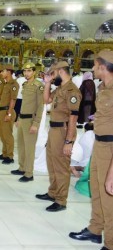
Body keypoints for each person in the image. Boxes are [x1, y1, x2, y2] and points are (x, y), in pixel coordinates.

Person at [69, 49, 113, 250]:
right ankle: (95, 230)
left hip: (111, 148)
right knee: (96, 189)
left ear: (103, 66)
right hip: (100, 144)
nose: (92, 69)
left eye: (95, 65)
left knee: (108, 196)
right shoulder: (103, 87)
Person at [36, 61, 81, 212]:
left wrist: (69, 141)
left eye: (53, 74)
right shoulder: (60, 88)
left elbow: (73, 118)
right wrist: (48, 83)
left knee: (61, 166)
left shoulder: (72, 91)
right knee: (52, 163)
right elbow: (46, 100)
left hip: (63, 131)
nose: (52, 76)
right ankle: (53, 192)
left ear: (61, 71)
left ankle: (61, 200)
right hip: (54, 130)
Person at [12, 62, 44, 182]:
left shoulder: (38, 86)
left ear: (34, 72)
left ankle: (29, 173)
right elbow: (24, 104)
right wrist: (19, 119)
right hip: (23, 119)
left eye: (29, 71)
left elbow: (40, 106)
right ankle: (22, 167)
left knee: (29, 148)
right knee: (21, 146)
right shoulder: (25, 84)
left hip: (31, 120)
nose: (26, 73)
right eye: (25, 71)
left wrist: (36, 124)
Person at [0, 64, 19, 165]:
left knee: (7, 134)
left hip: (7, 111)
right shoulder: (5, 83)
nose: (1, 73)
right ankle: (4, 153)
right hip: (1, 111)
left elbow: (13, 100)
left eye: (3, 71)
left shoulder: (13, 84)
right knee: (2, 133)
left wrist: (9, 114)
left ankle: (10, 156)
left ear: (9, 72)